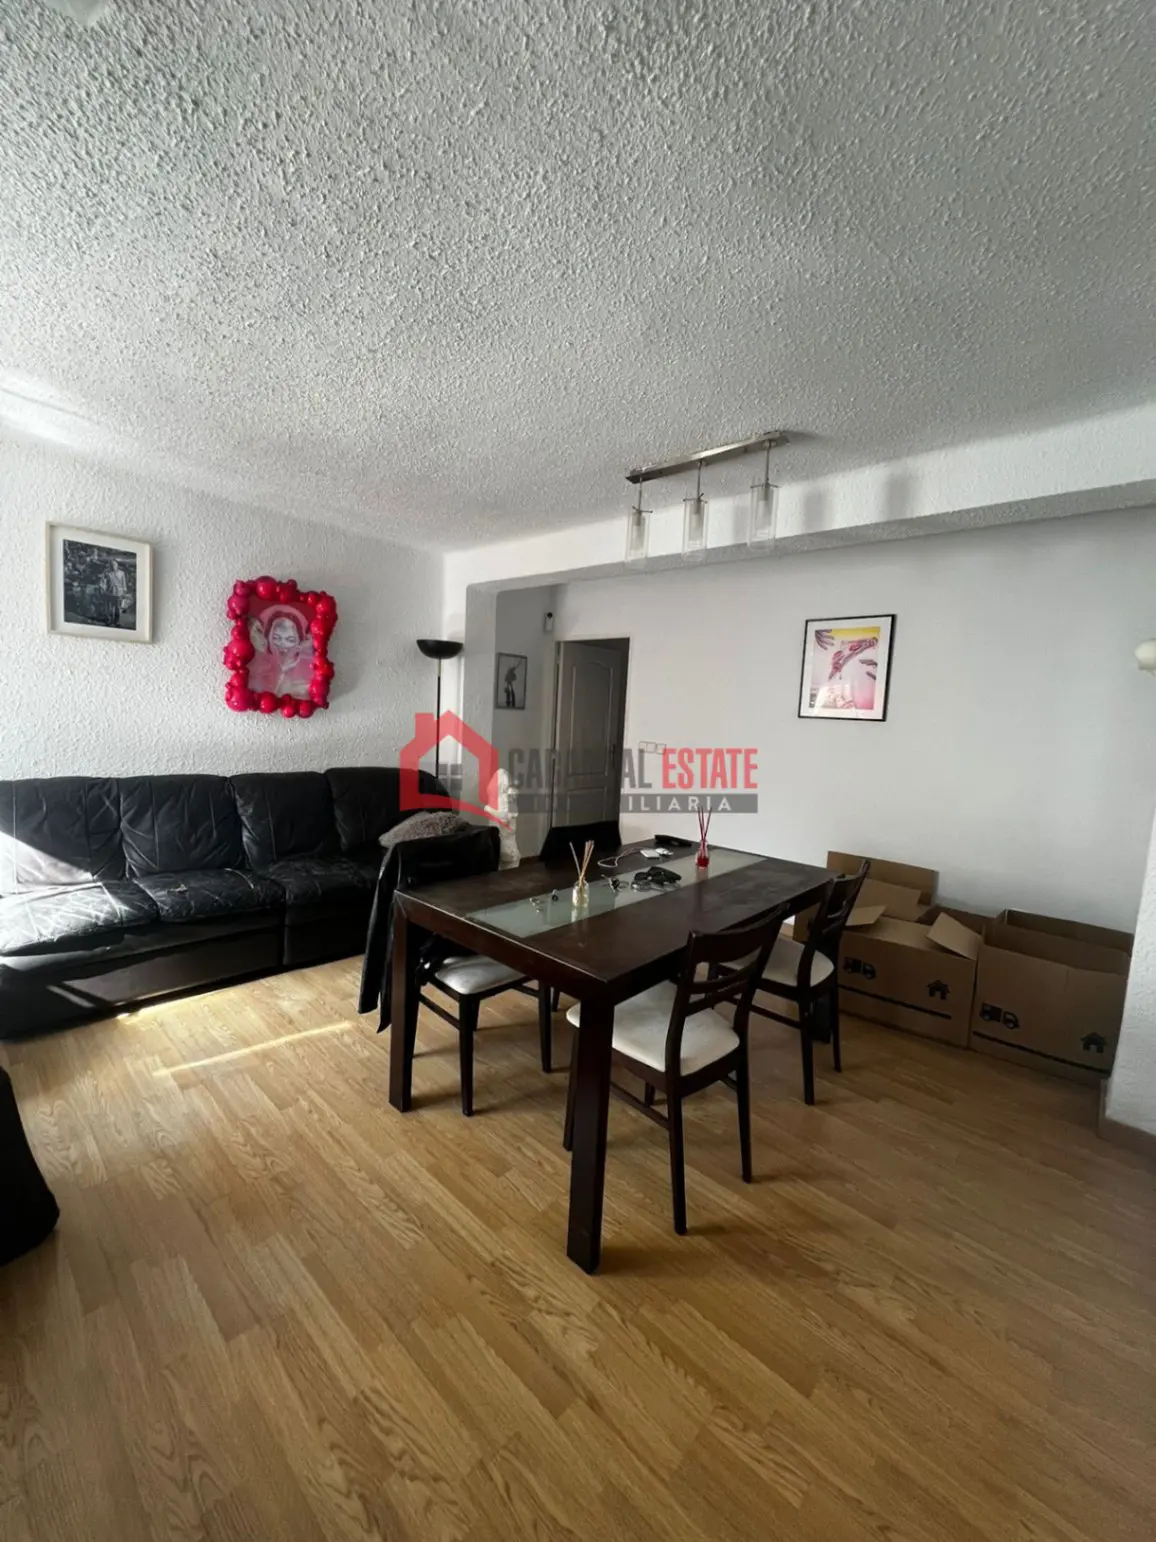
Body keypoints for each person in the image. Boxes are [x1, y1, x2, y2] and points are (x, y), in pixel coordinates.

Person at [248, 607, 314, 697]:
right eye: (276, 638)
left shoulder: (307, 665)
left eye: (290, 640)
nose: (282, 644)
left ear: (300, 639)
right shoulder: (261, 665)